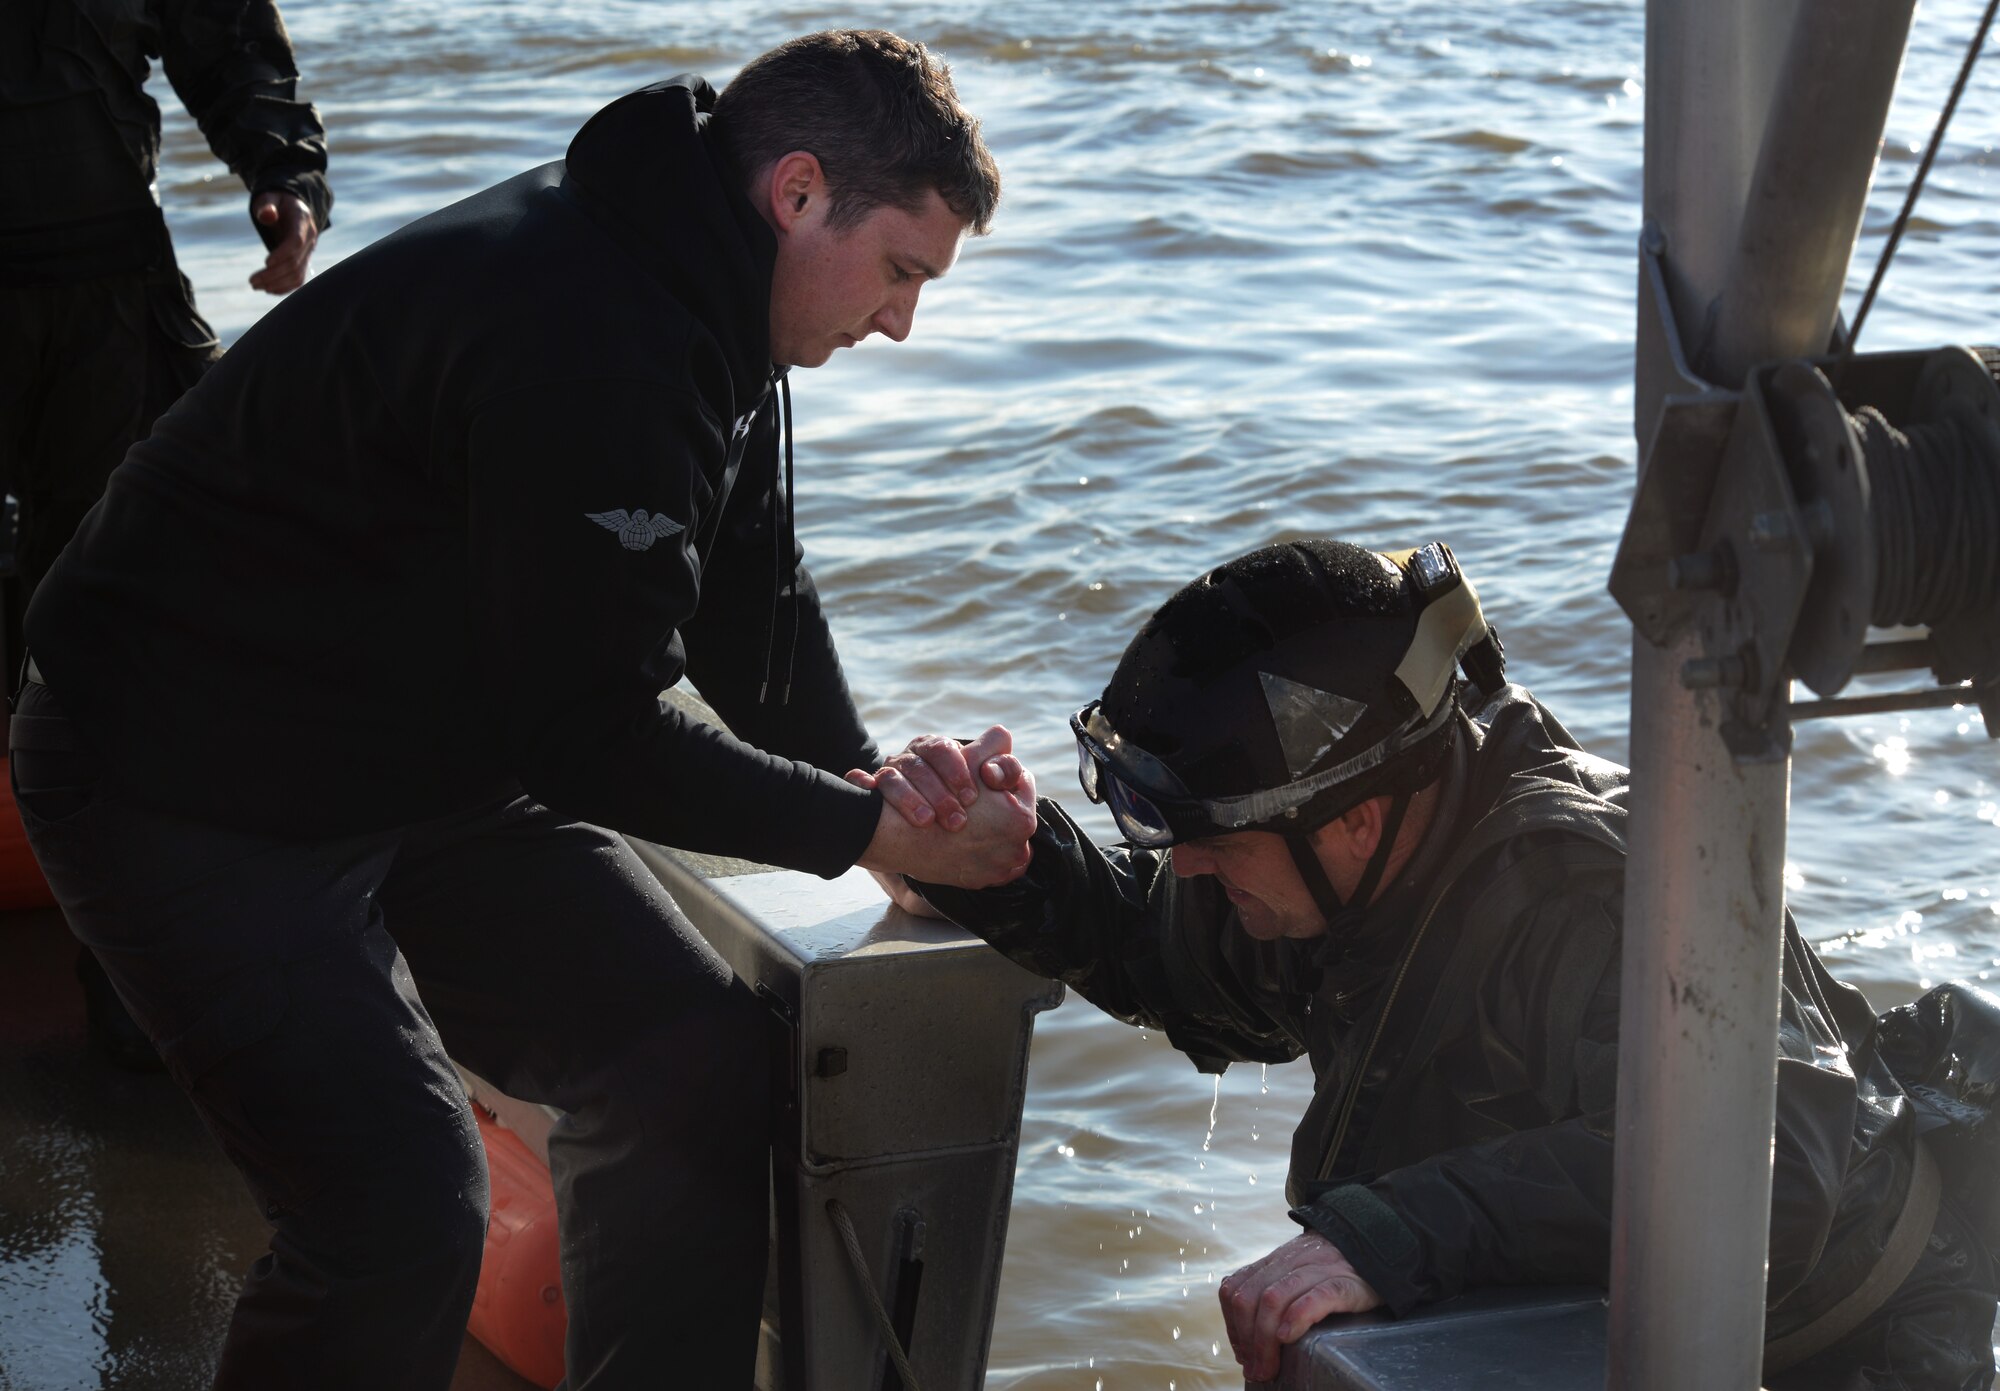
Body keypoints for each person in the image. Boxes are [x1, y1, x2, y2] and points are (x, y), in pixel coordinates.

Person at [11, 28, 1031, 1391]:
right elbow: (595, 734)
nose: (902, 319)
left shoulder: (713, 294)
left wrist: (871, 777)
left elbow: (750, 595)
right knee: (394, 1215)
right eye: (901, 270)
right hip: (178, 770)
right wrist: (867, 836)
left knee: (690, 1061)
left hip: (418, 748)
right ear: (798, 191)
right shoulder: (590, 331)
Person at [903, 538, 2000, 1390]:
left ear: (1356, 816)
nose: (1185, 864)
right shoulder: (1366, 865)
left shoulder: (1590, 890)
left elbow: (1768, 1153)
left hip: (1844, 1348)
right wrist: (1010, 867)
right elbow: (1192, 975)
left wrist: (1387, 1234)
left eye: (1210, 836)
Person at [1, 0, 331, 1069]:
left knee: (153, 631)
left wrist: (283, 178)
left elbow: (227, 38)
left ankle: (145, 1009)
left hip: (112, 297)